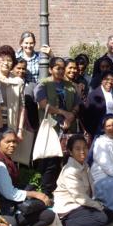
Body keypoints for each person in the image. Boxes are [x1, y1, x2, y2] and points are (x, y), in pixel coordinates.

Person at [0, 128, 55, 226]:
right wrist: (36, 194)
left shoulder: (7, 160)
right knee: (16, 224)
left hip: (13, 206)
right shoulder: (0, 165)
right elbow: (10, 193)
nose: (12, 145)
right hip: (4, 210)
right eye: (8, 142)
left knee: (48, 215)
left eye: (14, 142)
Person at [53, 135, 113, 226]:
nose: (82, 151)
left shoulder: (85, 165)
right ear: (70, 151)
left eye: (85, 148)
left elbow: (90, 192)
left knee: (110, 214)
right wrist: (98, 206)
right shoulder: (70, 171)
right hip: (68, 208)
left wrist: (99, 205)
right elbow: (80, 198)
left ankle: (83, 225)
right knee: (101, 218)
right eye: (78, 149)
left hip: (80, 205)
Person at [36, 57, 80, 194]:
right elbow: (43, 104)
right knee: (51, 162)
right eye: (57, 68)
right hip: (52, 130)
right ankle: (47, 193)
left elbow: (77, 104)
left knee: (69, 161)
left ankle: (68, 191)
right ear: (50, 69)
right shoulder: (42, 84)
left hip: (69, 129)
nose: (61, 71)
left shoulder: (71, 86)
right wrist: (63, 113)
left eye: (62, 68)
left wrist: (71, 115)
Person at [84, 71, 113, 139]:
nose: (110, 82)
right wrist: (91, 132)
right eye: (107, 79)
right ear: (102, 80)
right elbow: (87, 116)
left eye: (112, 80)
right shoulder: (93, 95)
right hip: (99, 131)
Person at [0, 45, 26, 141]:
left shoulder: (18, 81)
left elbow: (22, 107)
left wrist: (20, 130)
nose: (6, 63)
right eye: (3, 59)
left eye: (9, 60)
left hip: (11, 125)